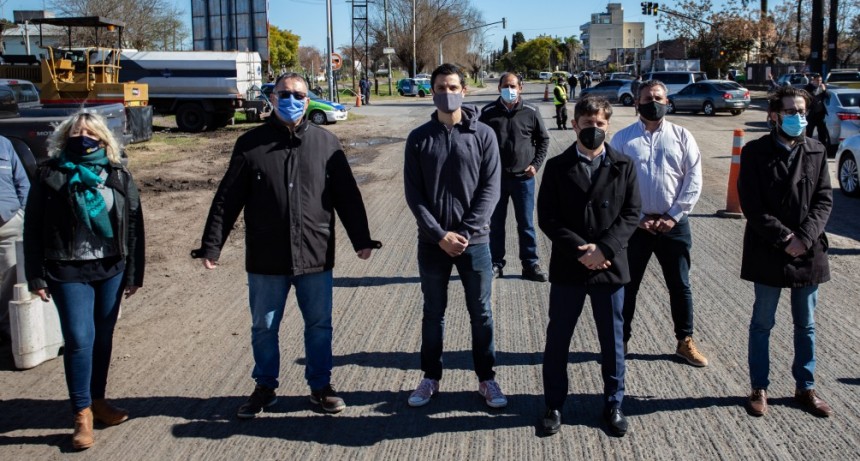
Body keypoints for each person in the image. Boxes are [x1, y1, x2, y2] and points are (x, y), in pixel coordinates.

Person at [191, 72, 381, 419]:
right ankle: (265, 386)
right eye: (285, 93)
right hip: (266, 256)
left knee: (319, 325)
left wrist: (362, 239)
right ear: (272, 97)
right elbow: (227, 198)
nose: (291, 99)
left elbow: (348, 197)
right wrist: (212, 245)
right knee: (264, 326)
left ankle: (320, 387)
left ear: (307, 101)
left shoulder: (326, 143)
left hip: (314, 253)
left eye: (298, 94)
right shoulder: (250, 144)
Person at [23, 112, 144, 450]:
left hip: (110, 268)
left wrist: (134, 273)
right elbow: (31, 227)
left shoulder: (118, 174)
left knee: (102, 337)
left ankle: (98, 400)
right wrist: (35, 274)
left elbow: (133, 224)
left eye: (90, 132)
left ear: (103, 138)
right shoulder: (49, 174)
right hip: (65, 268)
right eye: (76, 132)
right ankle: (81, 414)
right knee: (79, 338)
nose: (83, 137)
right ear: (65, 136)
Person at [403, 63, 506, 409]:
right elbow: (413, 194)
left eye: (452, 86)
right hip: (432, 244)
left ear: (464, 90)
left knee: (481, 312)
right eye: (440, 87)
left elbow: (491, 189)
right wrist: (438, 233)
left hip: (474, 243)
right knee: (433, 311)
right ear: (431, 92)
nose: (447, 93)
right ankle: (430, 377)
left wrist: (463, 231)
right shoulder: (419, 138)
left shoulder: (484, 135)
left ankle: (487, 379)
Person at [538, 96, 641, 437]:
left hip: (610, 266)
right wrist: (580, 250)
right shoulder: (556, 167)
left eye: (599, 124)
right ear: (575, 125)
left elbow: (631, 214)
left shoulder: (624, 165)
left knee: (612, 341)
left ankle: (613, 403)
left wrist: (605, 248)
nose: (593, 130)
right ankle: (553, 404)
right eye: (587, 124)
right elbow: (548, 217)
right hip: (571, 265)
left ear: (607, 125)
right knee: (558, 339)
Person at [738, 85, 833, 418]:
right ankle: (758, 388)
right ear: (774, 115)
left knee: (805, 324)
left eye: (802, 111)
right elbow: (752, 204)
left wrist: (804, 239)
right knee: (762, 322)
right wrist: (784, 238)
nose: (798, 117)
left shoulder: (817, 150)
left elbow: (823, 200)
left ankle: (805, 387)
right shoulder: (754, 152)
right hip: (769, 249)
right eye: (791, 111)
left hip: (808, 252)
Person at [609, 79, 708, 367]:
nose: (653, 101)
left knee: (680, 285)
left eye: (658, 97)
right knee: (627, 285)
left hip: (673, 225)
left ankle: (685, 340)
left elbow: (693, 178)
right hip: (634, 227)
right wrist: (637, 218)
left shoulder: (682, 136)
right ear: (637, 103)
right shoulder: (623, 139)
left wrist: (674, 215)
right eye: (647, 97)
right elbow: (614, 184)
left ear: (667, 101)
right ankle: (620, 340)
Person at [479, 72, 550, 282]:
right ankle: (495, 264)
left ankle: (530, 265)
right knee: (496, 223)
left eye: (513, 86)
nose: (509, 89)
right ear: (498, 88)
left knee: (526, 224)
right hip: (496, 180)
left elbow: (543, 140)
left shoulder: (531, 111)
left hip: (523, 179)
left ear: (521, 88)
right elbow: (479, 143)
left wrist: (535, 165)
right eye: (505, 86)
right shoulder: (488, 112)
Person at [0, 135, 29, 346]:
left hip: (9, 222)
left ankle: (6, 328)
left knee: (13, 274)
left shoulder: (4, 144)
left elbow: (22, 182)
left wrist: (23, 212)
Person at [803, 74, 830, 146]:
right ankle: (807, 146)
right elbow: (810, 96)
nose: (819, 82)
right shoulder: (808, 88)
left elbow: (828, 96)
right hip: (811, 114)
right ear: (813, 80)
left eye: (820, 80)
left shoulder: (822, 87)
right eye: (817, 80)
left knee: (822, 132)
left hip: (820, 114)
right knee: (809, 131)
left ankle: (823, 147)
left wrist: (824, 90)